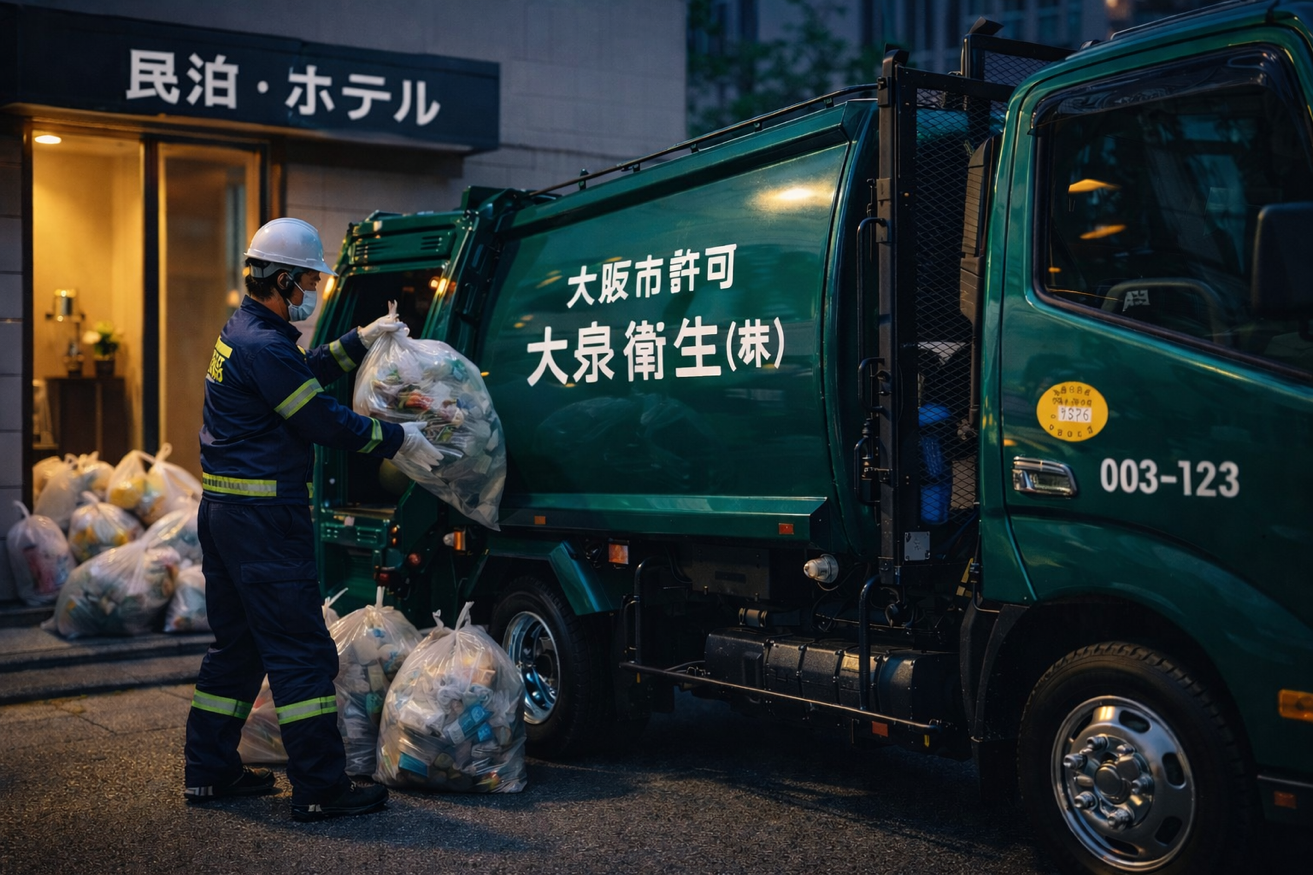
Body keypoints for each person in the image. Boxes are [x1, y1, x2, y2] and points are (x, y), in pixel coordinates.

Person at [183, 217, 441, 821]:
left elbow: (301, 375)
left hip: (227, 515)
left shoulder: (245, 331)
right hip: (264, 520)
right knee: (301, 654)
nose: (313, 292)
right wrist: (396, 437)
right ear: (282, 278)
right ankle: (322, 789)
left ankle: (209, 772)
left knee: (238, 649)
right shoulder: (265, 344)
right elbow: (320, 421)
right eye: (309, 281)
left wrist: (361, 338)